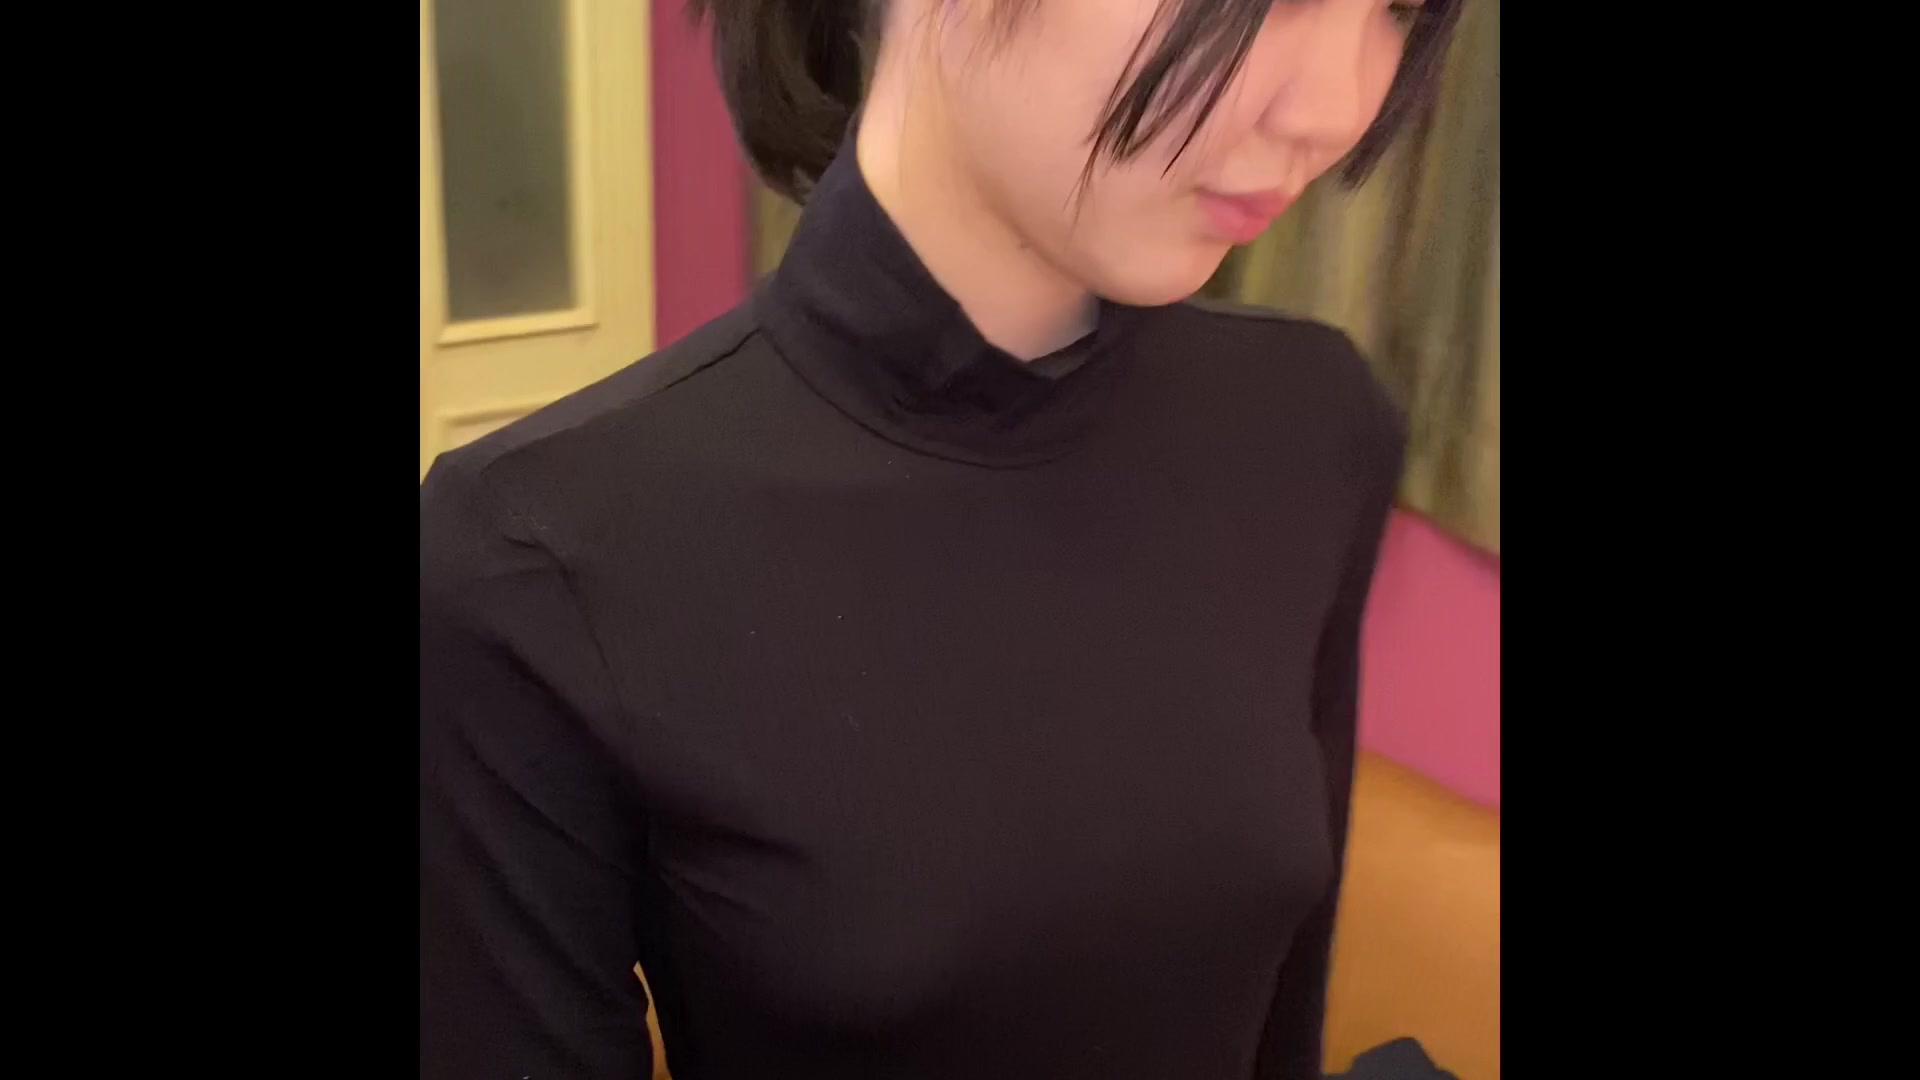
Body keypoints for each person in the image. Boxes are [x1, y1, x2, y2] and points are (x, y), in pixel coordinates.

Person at [420, 0, 1462, 1076]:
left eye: (1397, 6)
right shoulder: (535, 560)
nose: (1334, 107)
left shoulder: (1309, 426)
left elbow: (1279, 1030)